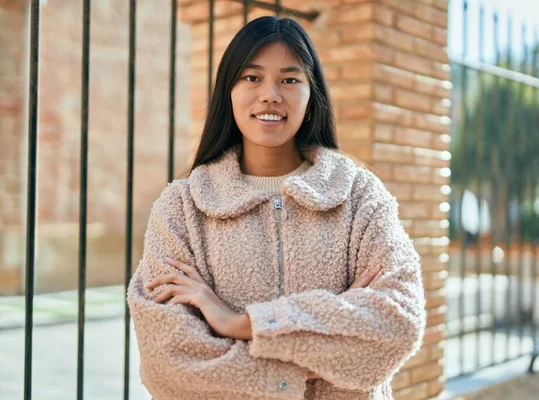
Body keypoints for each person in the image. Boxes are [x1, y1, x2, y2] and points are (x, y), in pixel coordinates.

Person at [127, 15, 425, 400]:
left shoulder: (359, 195)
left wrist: (242, 324)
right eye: (252, 78)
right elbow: (169, 362)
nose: (270, 94)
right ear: (229, 92)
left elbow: (398, 322)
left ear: (310, 94)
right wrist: (330, 345)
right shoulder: (182, 206)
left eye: (289, 79)